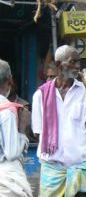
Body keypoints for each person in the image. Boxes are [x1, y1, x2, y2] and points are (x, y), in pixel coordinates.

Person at [32, 45, 86, 196]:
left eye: (79, 62)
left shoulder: (84, 92)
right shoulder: (40, 95)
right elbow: (38, 133)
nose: (77, 66)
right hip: (52, 173)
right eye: (72, 62)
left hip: (80, 172)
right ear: (58, 65)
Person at [0, 59, 32, 197]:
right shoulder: (7, 110)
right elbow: (12, 153)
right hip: (6, 181)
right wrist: (22, 130)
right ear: (10, 80)